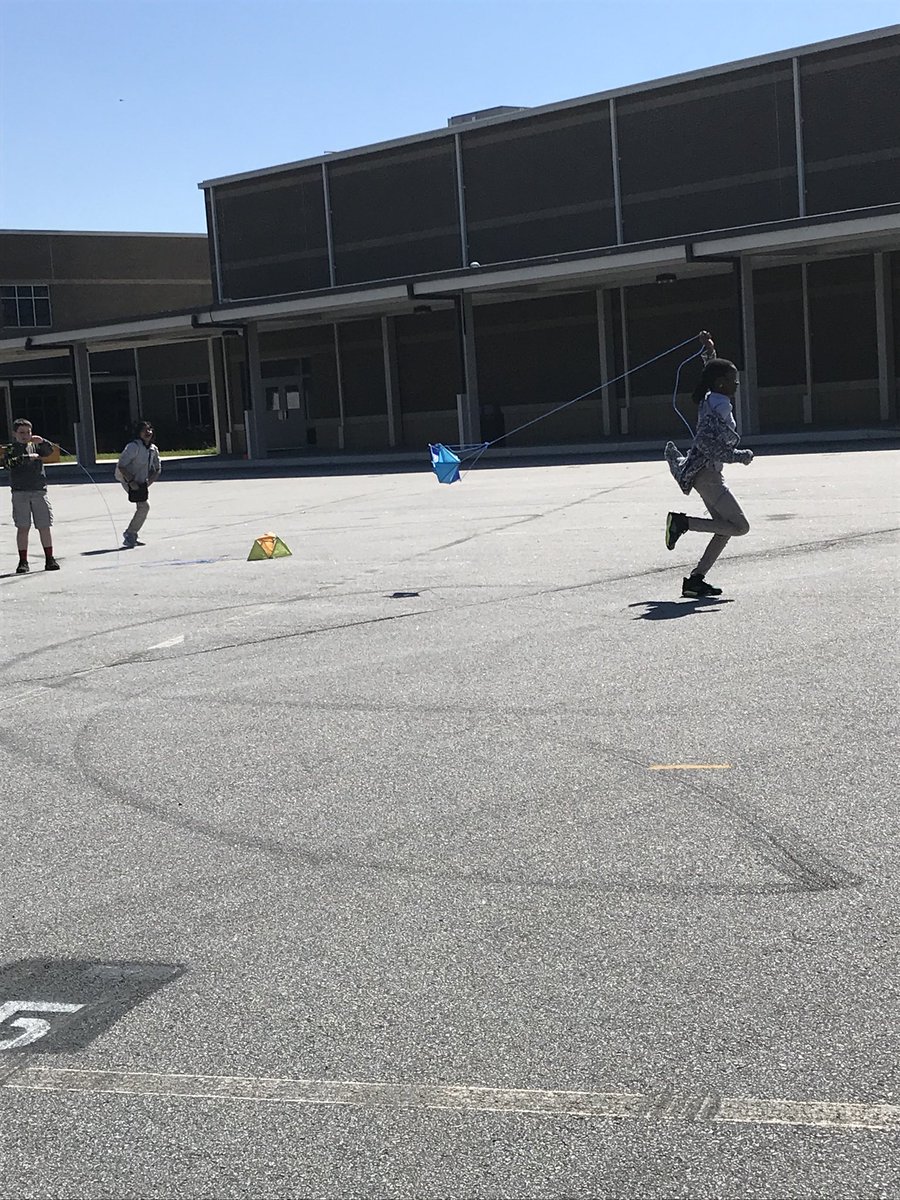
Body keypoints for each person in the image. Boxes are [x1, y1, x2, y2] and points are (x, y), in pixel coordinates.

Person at [663, 332, 754, 598]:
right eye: (732, 380)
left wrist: (709, 350)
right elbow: (707, 443)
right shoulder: (719, 405)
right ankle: (682, 523)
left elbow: (709, 372)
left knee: (724, 528)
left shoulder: (711, 398)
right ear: (721, 384)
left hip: (709, 475)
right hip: (708, 476)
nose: (737, 384)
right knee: (740, 527)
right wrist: (740, 455)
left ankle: (696, 580)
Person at [0, 418, 60, 573]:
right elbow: (7, 464)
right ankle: (23, 561)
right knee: (23, 527)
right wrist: (26, 458)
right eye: (21, 433)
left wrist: (43, 441)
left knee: (44, 525)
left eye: (28, 432)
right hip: (20, 491)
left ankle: (49, 558)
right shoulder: (11, 448)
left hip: (38, 489)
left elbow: (49, 452)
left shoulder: (35, 446)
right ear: (15, 434)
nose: (25, 436)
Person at [115, 420, 161, 548]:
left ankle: (131, 533)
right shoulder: (133, 447)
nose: (148, 432)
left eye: (150, 429)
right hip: (127, 479)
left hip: (141, 481)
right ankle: (130, 534)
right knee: (144, 506)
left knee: (143, 506)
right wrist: (130, 481)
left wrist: (148, 483)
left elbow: (157, 469)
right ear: (138, 433)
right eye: (144, 430)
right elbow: (121, 466)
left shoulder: (153, 449)